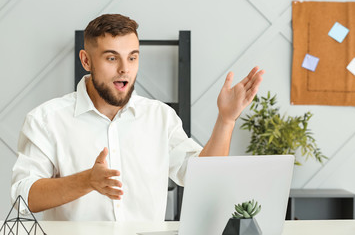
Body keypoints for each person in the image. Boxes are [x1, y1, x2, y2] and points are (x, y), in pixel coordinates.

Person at [11, 14, 264, 221]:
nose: (125, 69)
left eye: (132, 57)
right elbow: (24, 197)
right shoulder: (45, 120)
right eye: (112, 58)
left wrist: (226, 120)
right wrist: (86, 181)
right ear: (86, 60)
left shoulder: (160, 117)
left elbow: (204, 179)